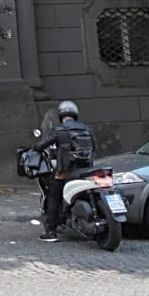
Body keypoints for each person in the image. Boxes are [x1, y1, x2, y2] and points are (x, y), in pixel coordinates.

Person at [34, 99, 95, 242]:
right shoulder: (86, 128)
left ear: (61, 115)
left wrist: (35, 148)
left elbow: (42, 145)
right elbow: (94, 147)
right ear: (75, 114)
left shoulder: (60, 130)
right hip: (87, 170)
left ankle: (51, 232)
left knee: (53, 195)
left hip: (67, 171)